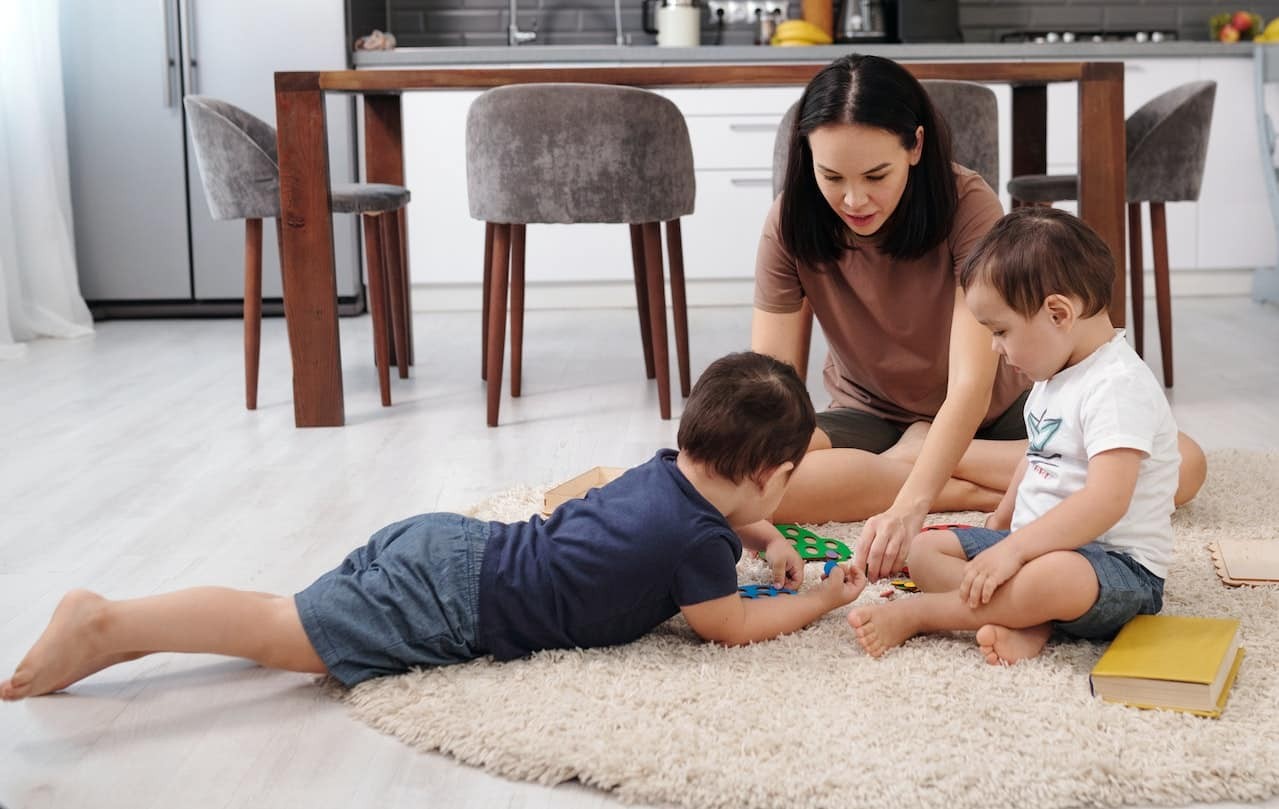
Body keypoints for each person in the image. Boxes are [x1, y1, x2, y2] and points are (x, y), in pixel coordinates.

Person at [0, 352, 867, 701]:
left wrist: (770, 538)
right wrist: (822, 600)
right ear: (772, 474)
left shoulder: (665, 473)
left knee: (291, 606)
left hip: (452, 543)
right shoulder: (698, 544)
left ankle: (125, 636)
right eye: (782, 496)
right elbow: (731, 625)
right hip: (456, 601)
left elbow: (723, 513)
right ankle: (109, 620)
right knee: (281, 633)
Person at [747, 53, 1207, 582]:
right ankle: (983, 475)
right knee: (760, 479)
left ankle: (937, 459)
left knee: (1183, 465)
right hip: (868, 412)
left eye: (876, 175)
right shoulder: (789, 222)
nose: (854, 199)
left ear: (915, 146)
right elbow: (770, 387)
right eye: (831, 176)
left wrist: (910, 504)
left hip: (992, 408)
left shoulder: (966, 203)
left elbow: (968, 386)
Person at [847, 207, 1179, 664]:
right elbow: (1037, 457)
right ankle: (1027, 617)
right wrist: (1002, 524)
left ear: (1058, 313)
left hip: (1114, 567)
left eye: (1001, 330)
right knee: (925, 550)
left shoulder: (1117, 386)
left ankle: (926, 613)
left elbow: (1106, 501)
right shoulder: (1051, 375)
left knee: (1056, 576)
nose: (993, 347)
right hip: (1035, 545)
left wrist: (1015, 550)